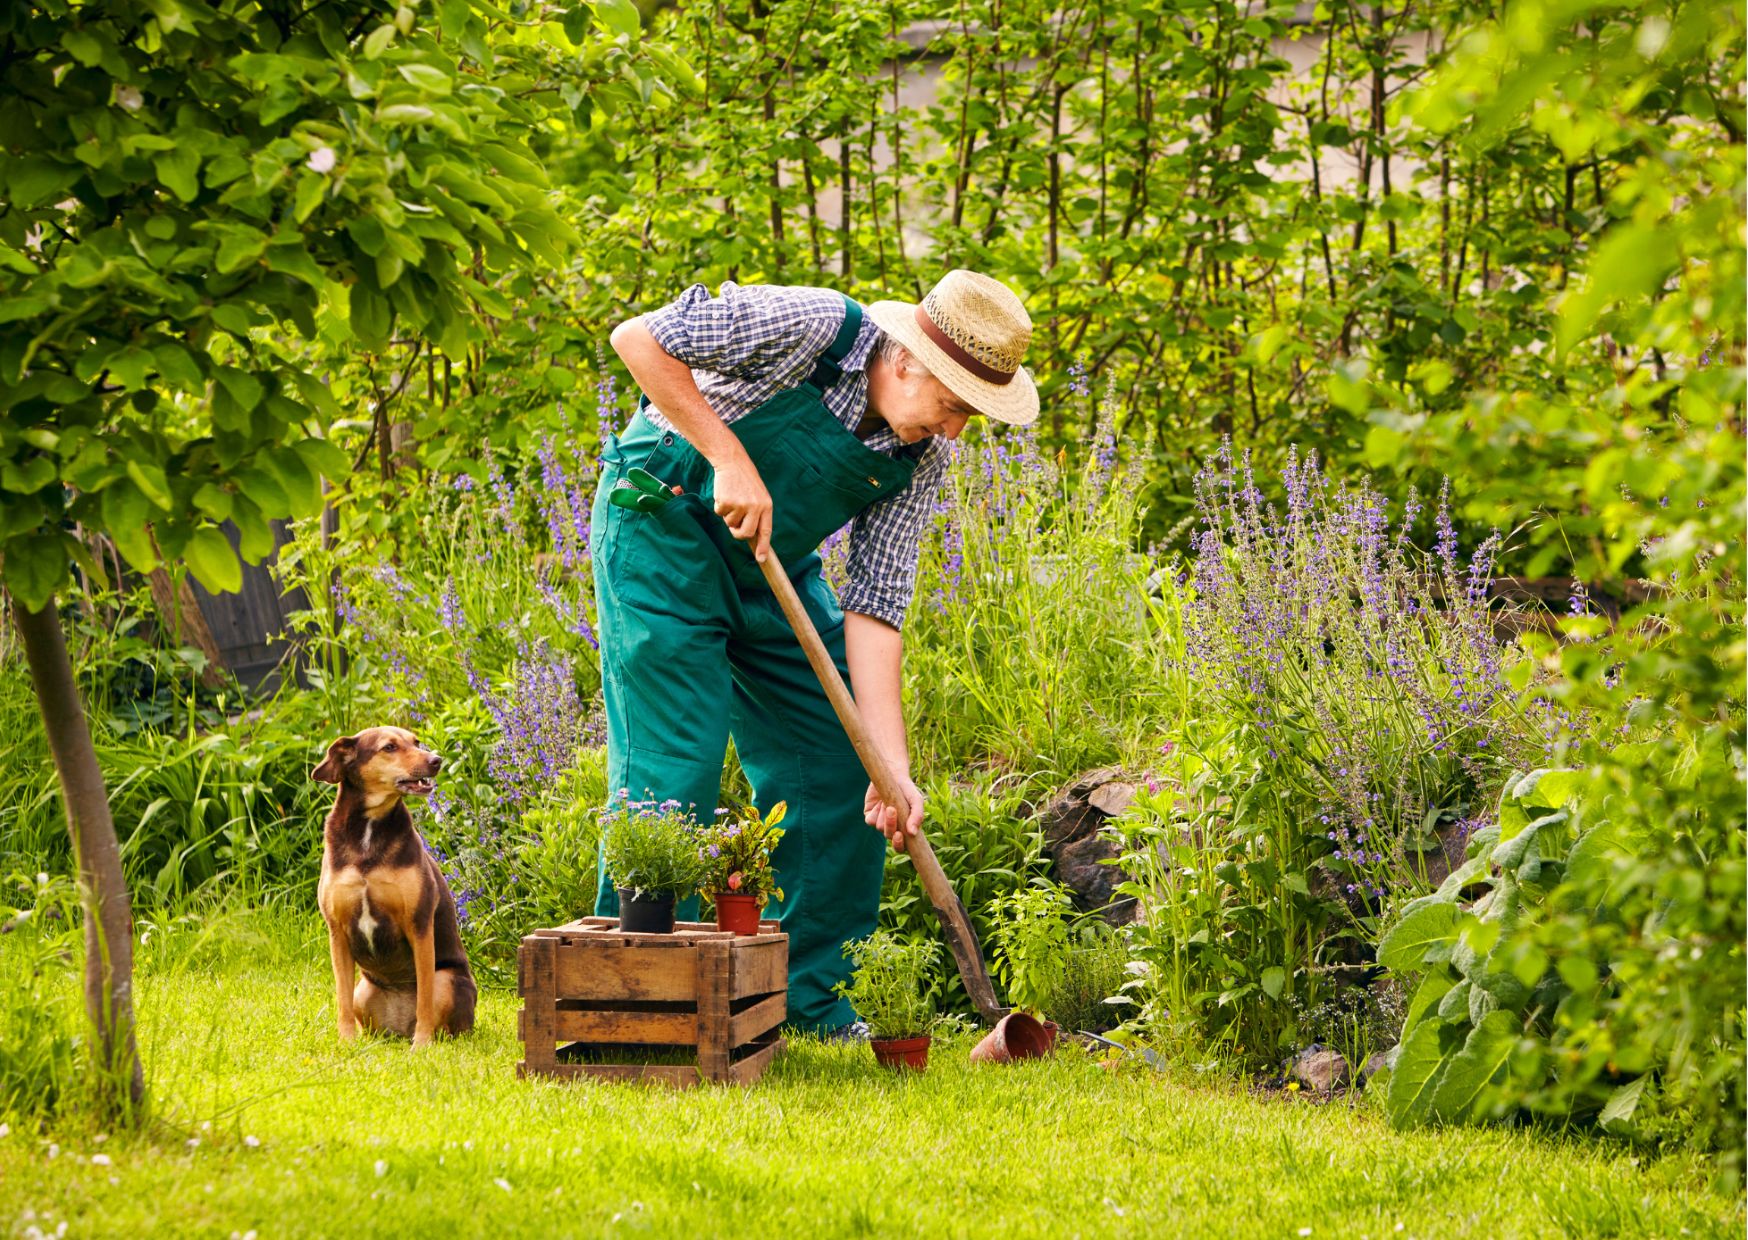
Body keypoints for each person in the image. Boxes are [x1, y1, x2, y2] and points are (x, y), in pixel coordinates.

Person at [591, 269, 1038, 1033]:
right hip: (660, 533)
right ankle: (638, 1001)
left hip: (771, 568)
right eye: (954, 405)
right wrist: (729, 457)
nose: (957, 430)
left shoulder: (916, 456)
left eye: (972, 416)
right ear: (904, 361)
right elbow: (638, 339)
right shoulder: (811, 326)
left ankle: (805, 998)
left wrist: (890, 768)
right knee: (675, 774)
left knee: (842, 762)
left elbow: (877, 607)